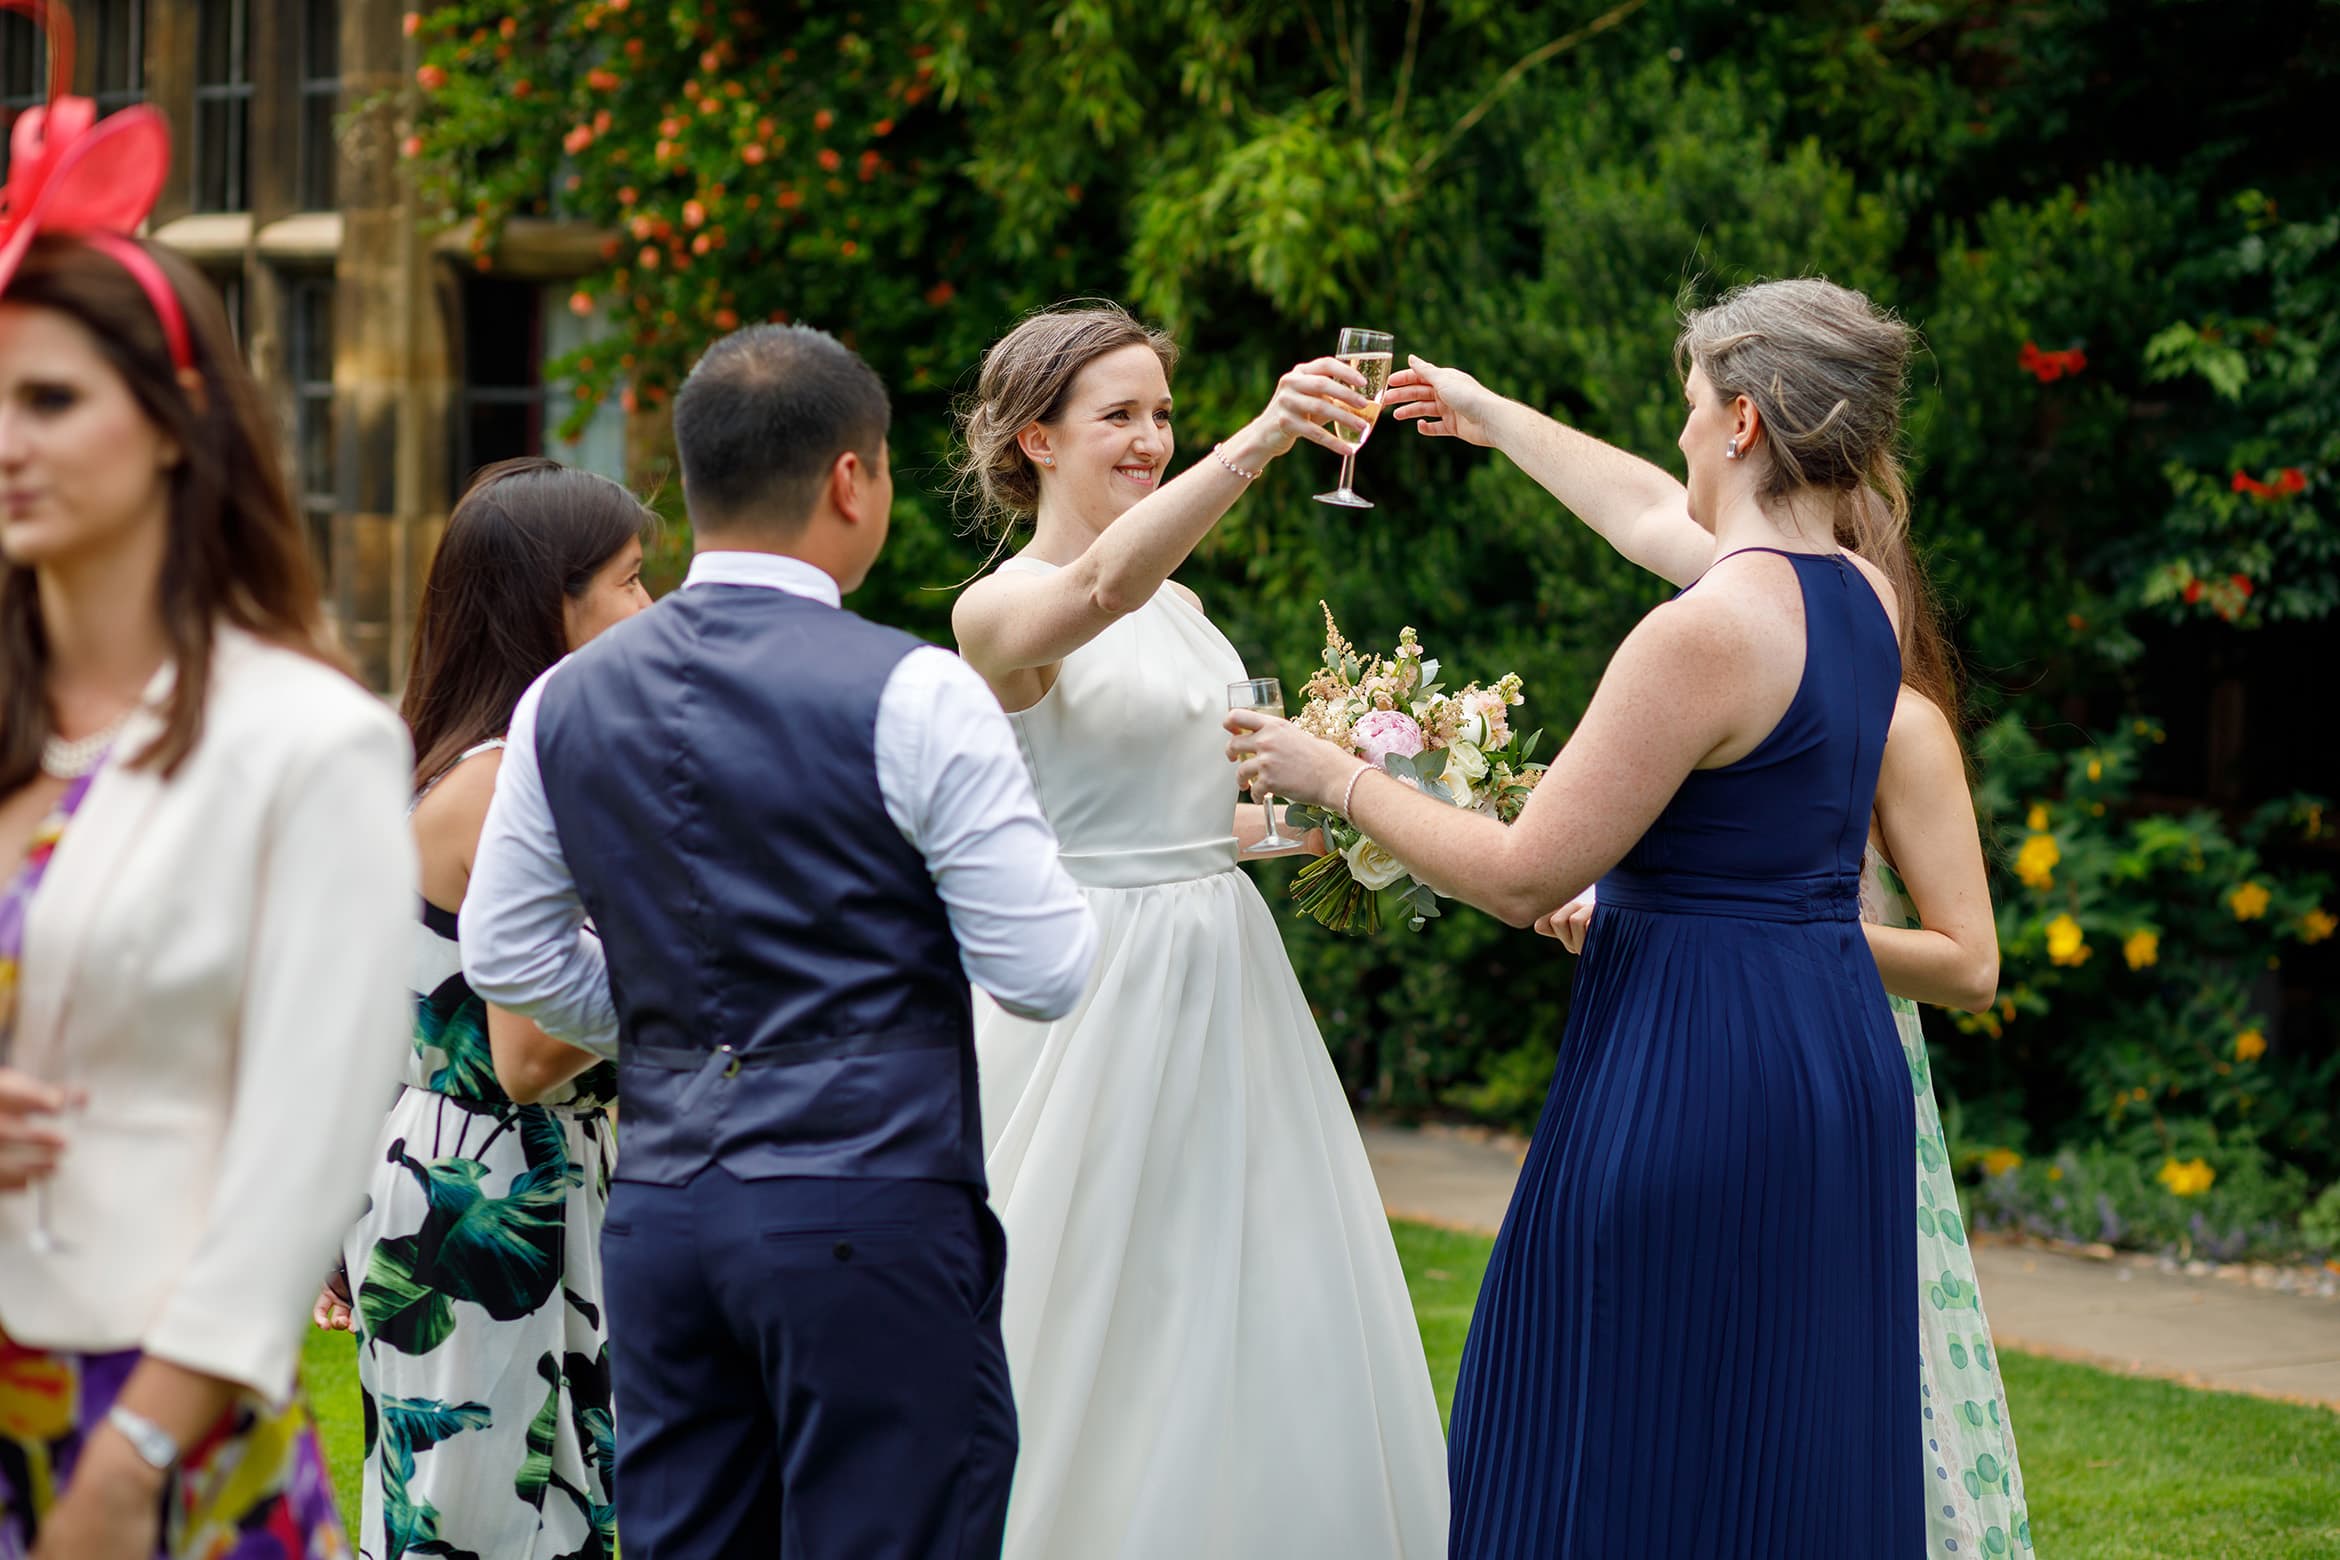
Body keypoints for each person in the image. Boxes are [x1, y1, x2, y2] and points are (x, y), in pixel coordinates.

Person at [1230, 277, 1925, 1556]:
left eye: (1689, 407)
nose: (1675, 435)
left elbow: (1516, 875)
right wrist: (1495, 417)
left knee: (1598, 1426)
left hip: (1691, 1066)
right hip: (1832, 1052)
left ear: (1744, 422)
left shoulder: (1700, 633)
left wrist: (1341, 778)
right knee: (1784, 1446)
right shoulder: (1865, 599)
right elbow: (1655, 514)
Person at [459, 323, 1098, 1560]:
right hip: (871, 1207)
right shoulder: (917, 693)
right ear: (851, 481)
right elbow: (1045, 966)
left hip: (664, 1217)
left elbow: (511, 957)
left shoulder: (560, 702)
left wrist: (665, 1012)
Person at [949, 302, 1450, 1560]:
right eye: (1119, 415)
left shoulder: (1187, 609)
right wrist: (1268, 437)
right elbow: (1105, 587)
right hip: (1087, 986)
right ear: (1035, 441)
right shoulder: (999, 611)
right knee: (1085, 1296)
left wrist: (1357, 820)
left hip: (1222, 970)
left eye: (1161, 413)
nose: (1151, 439)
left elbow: (1198, 819)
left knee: (1253, 1284)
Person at [0, 69, 412, 1560]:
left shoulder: (310, 745)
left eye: (49, 400)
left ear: (176, 425)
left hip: (150, 1417)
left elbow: (306, 1150)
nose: (8, 441)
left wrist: (132, 1461)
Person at [1535, 485, 2034, 1554]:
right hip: (1710, 1034)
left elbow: (1971, 963)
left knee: (1843, 1385)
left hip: (1821, 1046)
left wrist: (1760, 934)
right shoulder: (1739, 657)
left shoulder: (1898, 721)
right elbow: (1644, 514)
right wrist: (1486, 413)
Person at [314, 458, 653, 1560]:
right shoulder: (509, 781)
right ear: (553, 604)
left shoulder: (438, 755)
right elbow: (543, 1040)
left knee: (477, 1508)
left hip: (454, 1165)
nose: (650, 612)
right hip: (493, 1185)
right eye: (630, 583)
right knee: (484, 1521)